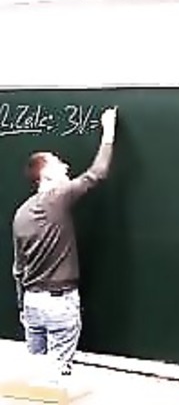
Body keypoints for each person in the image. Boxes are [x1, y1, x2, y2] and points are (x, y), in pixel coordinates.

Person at [12, 107, 117, 384]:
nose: (66, 167)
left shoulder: (20, 214)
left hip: (32, 303)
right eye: (58, 164)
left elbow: (18, 269)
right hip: (59, 303)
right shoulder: (56, 197)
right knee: (56, 380)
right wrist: (108, 131)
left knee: (36, 377)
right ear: (46, 175)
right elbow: (97, 174)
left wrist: (22, 306)